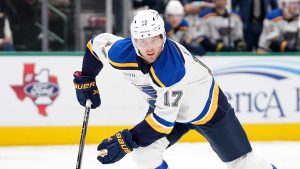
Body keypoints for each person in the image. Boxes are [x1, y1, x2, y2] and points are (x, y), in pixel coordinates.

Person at [73, 9, 277, 169]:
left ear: (163, 36)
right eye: (142, 41)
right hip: (166, 109)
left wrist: (127, 139)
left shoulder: (171, 69)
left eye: (154, 39)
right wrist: (87, 77)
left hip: (207, 110)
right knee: (144, 156)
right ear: (134, 41)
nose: (149, 47)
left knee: (244, 164)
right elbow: (96, 45)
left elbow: (162, 123)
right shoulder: (120, 53)